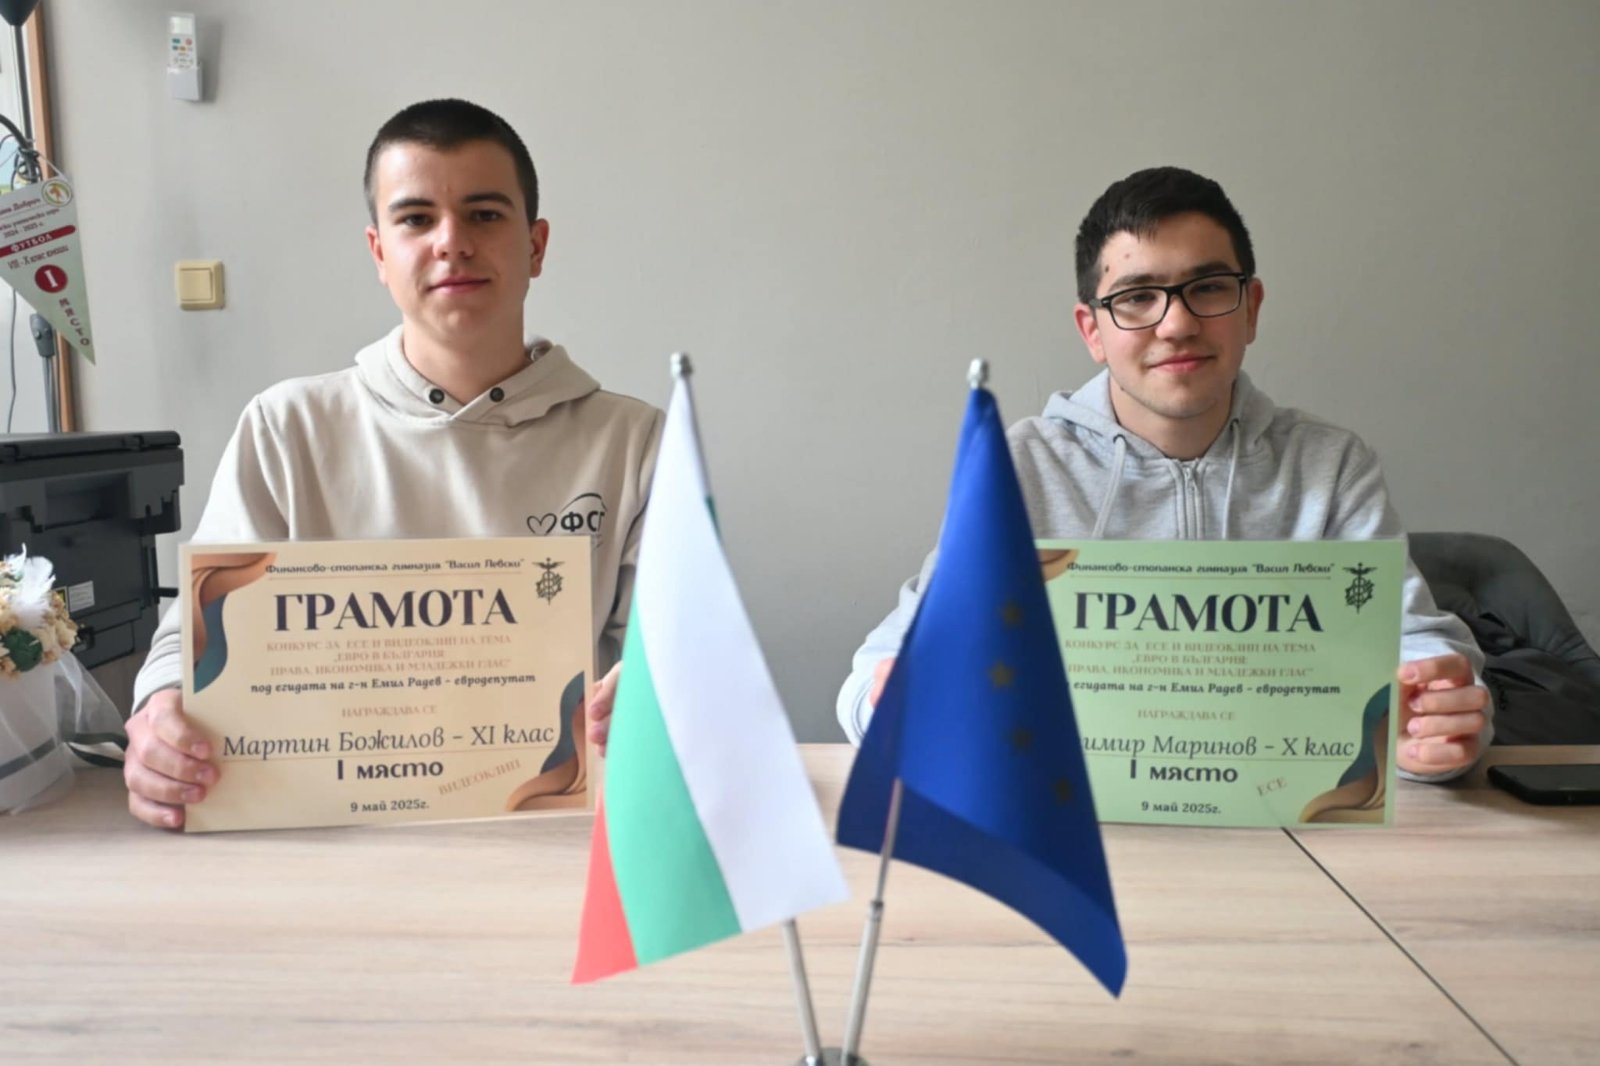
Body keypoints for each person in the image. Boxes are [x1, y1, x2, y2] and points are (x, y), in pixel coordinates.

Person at [835, 166, 1491, 781]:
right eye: (1137, 297)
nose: (1176, 324)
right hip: (1080, 824)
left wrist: (1435, 723)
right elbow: (882, 669)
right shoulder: (1021, 467)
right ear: (1092, 330)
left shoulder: (1331, 465)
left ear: (1251, 307)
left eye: (1208, 288)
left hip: (1286, 818)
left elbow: (1416, 650)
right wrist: (893, 707)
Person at [124, 99, 661, 828]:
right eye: (416, 218)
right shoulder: (287, 427)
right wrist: (161, 717)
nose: (452, 242)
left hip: (552, 827)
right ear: (379, 253)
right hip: (328, 831)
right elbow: (189, 639)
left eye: (484, 214)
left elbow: (674, 651)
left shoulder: (633, 441)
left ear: (535, 246)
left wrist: (656, 692)